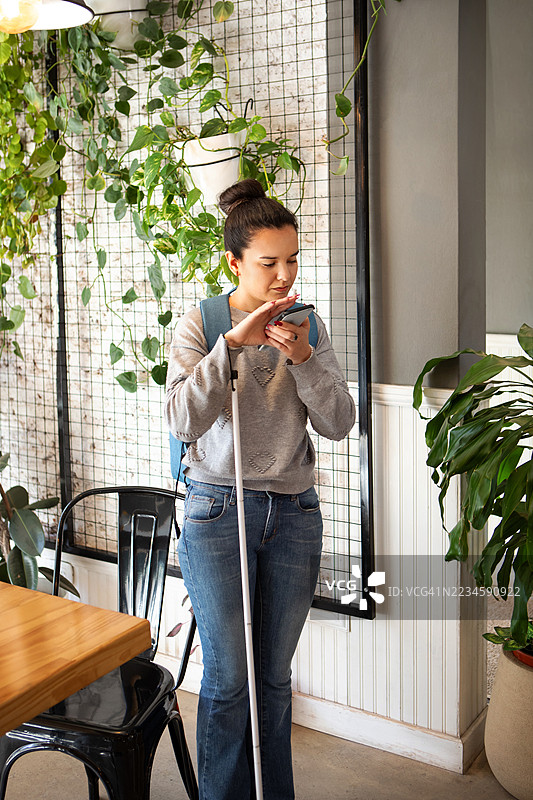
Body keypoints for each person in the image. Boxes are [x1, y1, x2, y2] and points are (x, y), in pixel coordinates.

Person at [165, 178, 355, 800]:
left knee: (273, 680)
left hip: (294, 514)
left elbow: (338, 422)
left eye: (292, 259)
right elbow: (182, 419)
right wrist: (230, 348)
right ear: (235, 262)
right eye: (269, 262)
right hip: (218, 512)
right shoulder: (202, 323)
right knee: (228, 677)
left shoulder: (308, 325)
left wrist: (303, 358)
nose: (283, 274)